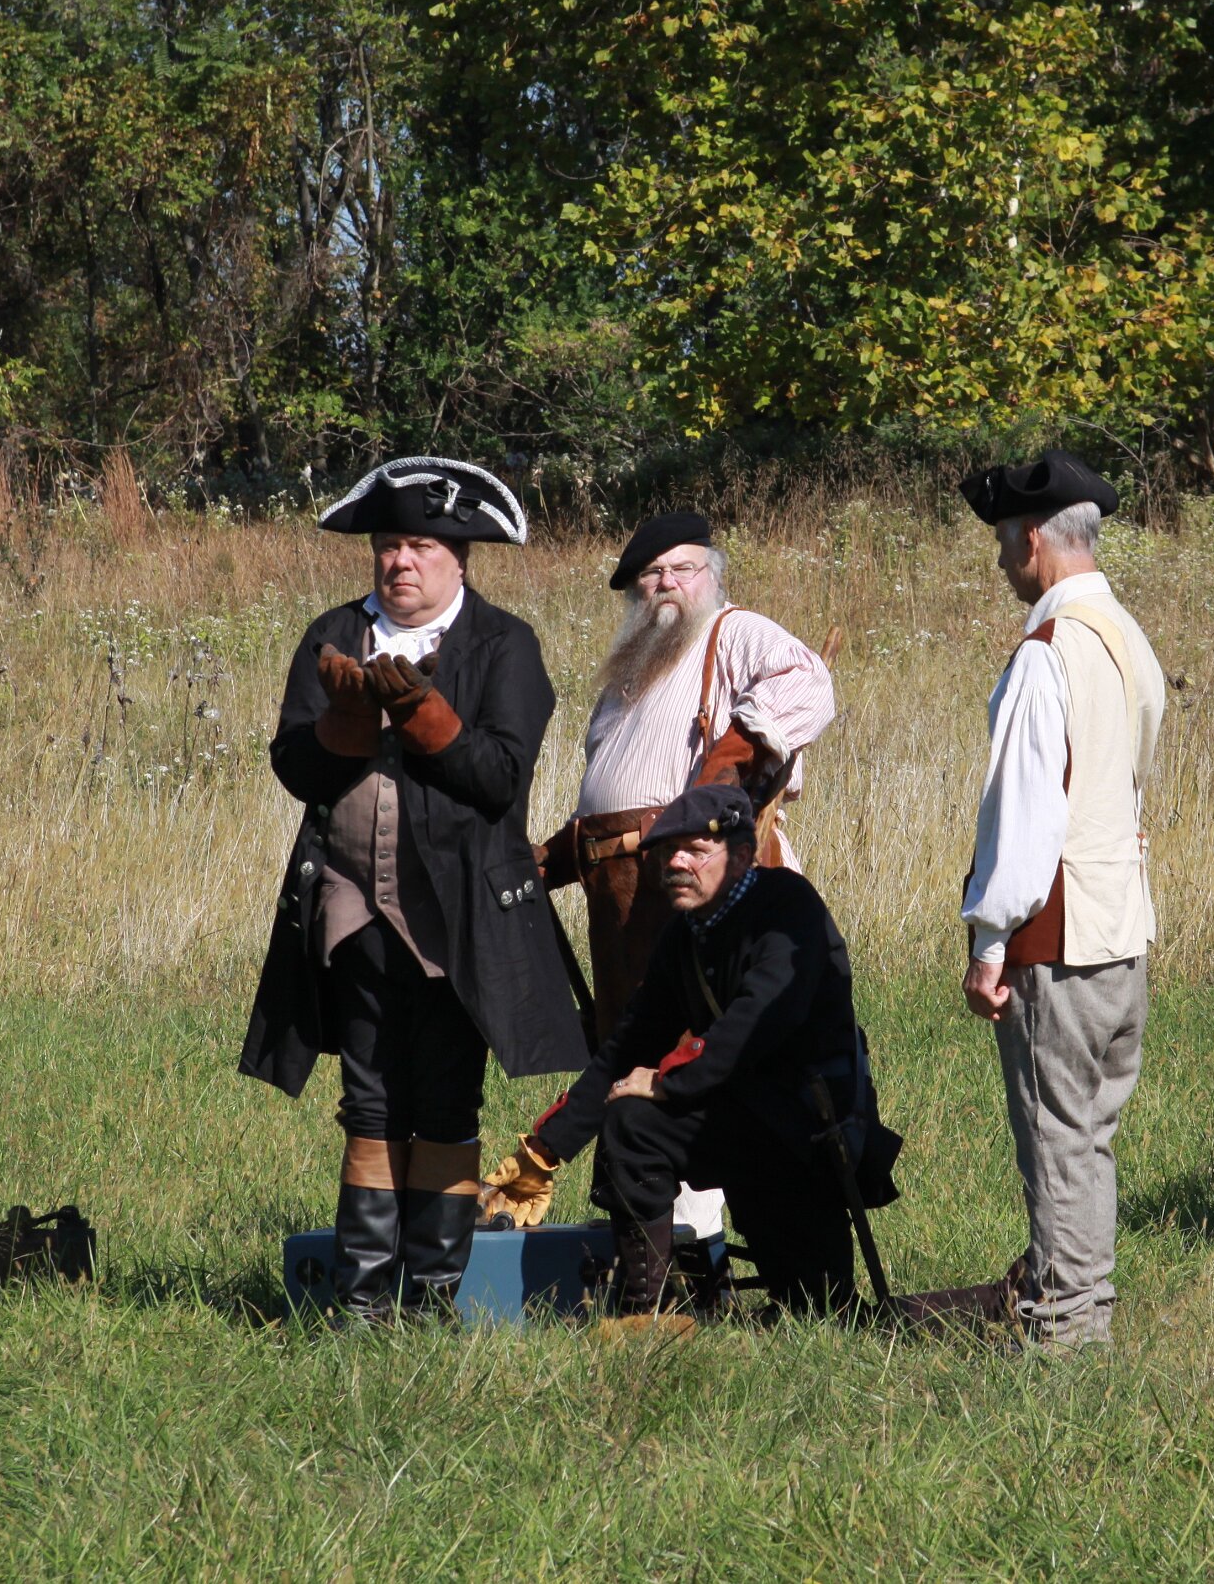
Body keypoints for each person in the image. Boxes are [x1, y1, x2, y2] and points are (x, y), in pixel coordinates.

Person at [238, 456, 588, 1319]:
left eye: (422, 547)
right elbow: (294, 768)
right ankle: (362, 1302)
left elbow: (498, 779)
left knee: (445, 1098)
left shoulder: (502, 644)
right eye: (390, 545)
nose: (401, 561)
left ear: (458, 559)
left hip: (461, 914)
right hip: (349, 905)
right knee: (369, 1099)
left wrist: (425, 719)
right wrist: (346, 725)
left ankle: (431, 1298)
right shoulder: (333, 632)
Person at [908, 449, 1169, 1351]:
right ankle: (1078, 1315)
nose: (998, 563)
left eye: (1000, 544)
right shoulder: (1128, 637)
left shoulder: (1048, 650)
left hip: (1054, 933)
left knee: (1056, 1142)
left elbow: (1024, 813)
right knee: (1086, 1138)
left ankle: (1063, 1331)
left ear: (1030, 539)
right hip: (1120, 927)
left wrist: (989, 943)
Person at [481, 784, 901, 1326]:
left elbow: (757, 1022)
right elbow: (629, 1044)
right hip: (740, 1122)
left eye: (695, 851)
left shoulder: (787, 908)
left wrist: (665, 1080)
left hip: (803, 1136)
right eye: (668, 851)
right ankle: (643, 1314)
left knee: (820, 1313)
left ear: (742, 855)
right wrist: (544, 1149)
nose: (676, 863)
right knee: (633, 1123)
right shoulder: (688, 932)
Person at [535, 510, 836, 1240]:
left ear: (712, 576)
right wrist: (552, 858)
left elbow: (808, 682)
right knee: (629, 1054)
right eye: (652, 573)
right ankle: (641, 1238)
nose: (667, 582)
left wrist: (729, 762)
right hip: (618, 899)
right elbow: (609, 796)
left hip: (696, 881)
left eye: (683, 568)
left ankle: (694, 1249)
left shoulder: (734, 633)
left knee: (685, 1055)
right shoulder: (628, 673)